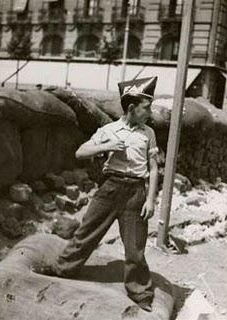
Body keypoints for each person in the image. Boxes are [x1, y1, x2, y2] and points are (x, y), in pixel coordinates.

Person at [48, 77, 159, 312]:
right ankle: (64, 269)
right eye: (146, 107)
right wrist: (106, 147)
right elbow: (81, 152)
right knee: (86, 232)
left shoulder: (148, 133)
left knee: (135, 246)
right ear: (131, 108)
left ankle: (141, 292)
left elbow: (154, 167)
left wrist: (150, 199)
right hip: (109, 189)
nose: (150, 112)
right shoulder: (108, 130)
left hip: (136, 192)